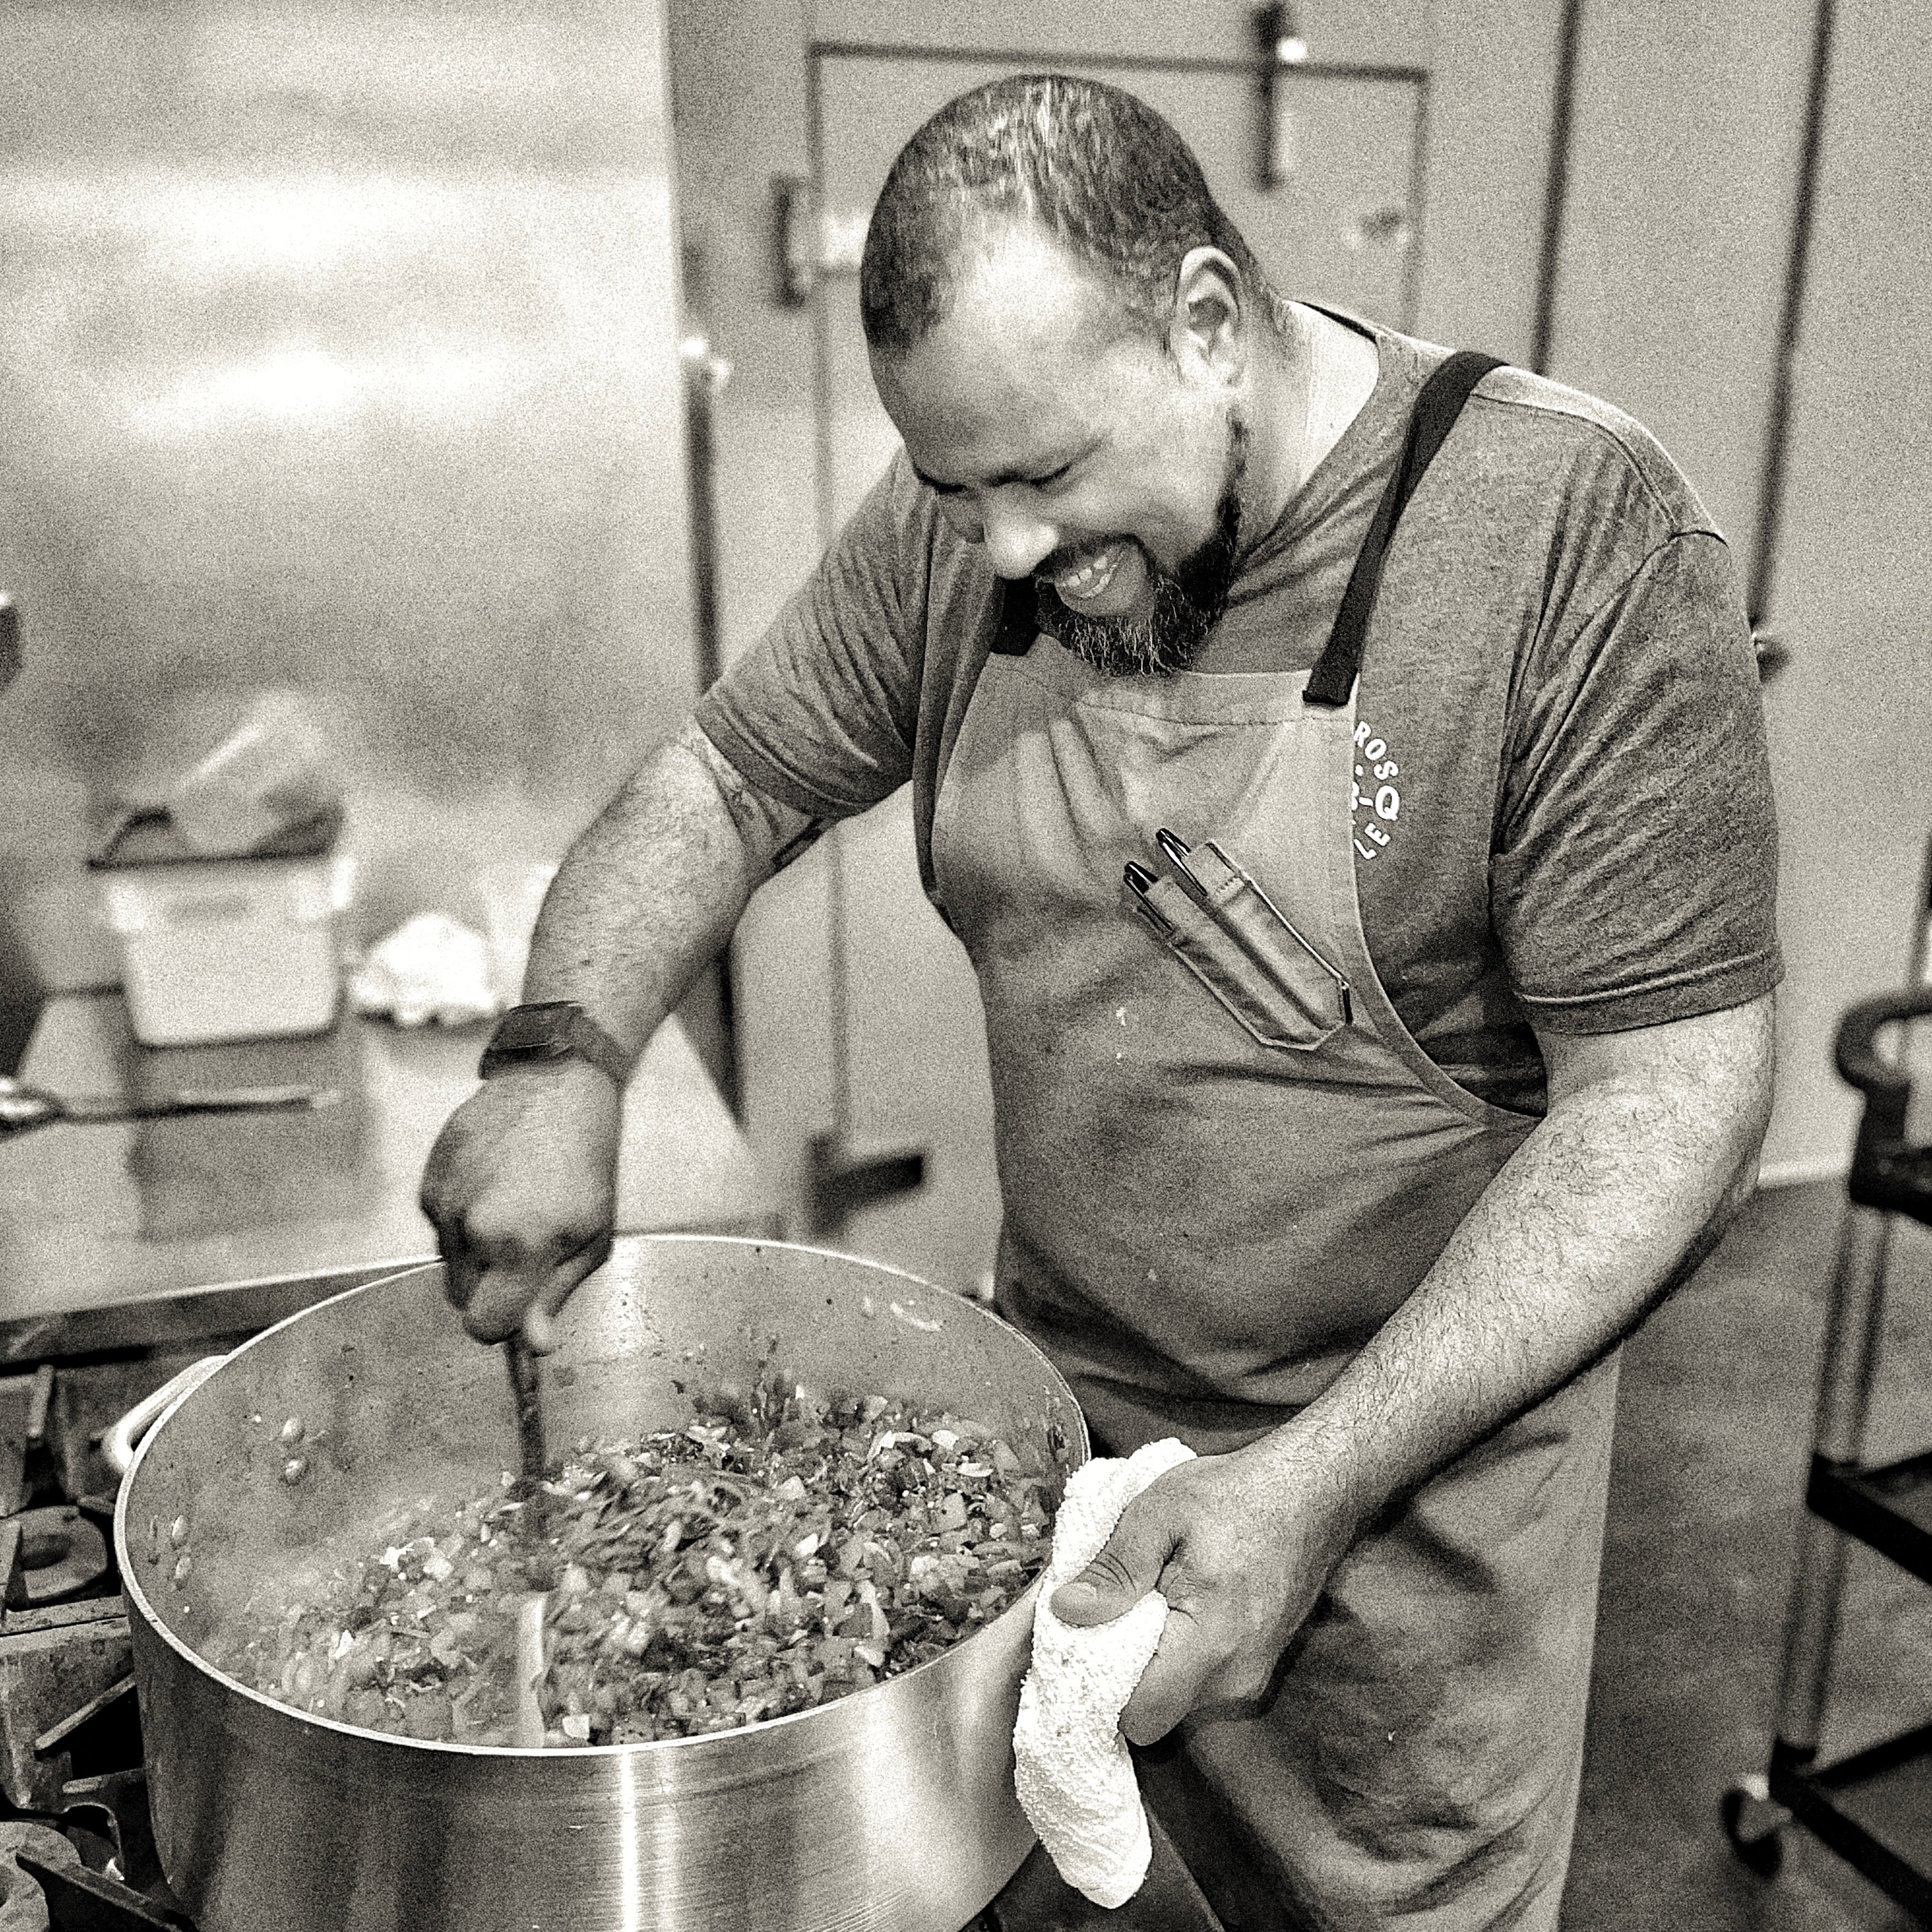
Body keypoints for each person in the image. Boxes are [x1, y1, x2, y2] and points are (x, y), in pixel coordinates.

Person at [422, 73, 1779, 1930]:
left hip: (1396, 1550)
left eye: (1049, 479)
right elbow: (726, 781)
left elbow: (1671, 1099)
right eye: (954, 489)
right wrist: (559, 1059)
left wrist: (1306, 1487)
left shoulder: (1566, 538)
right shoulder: (982, 526)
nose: (1000, 553)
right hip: (1044, 1511)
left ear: (1207, 323)